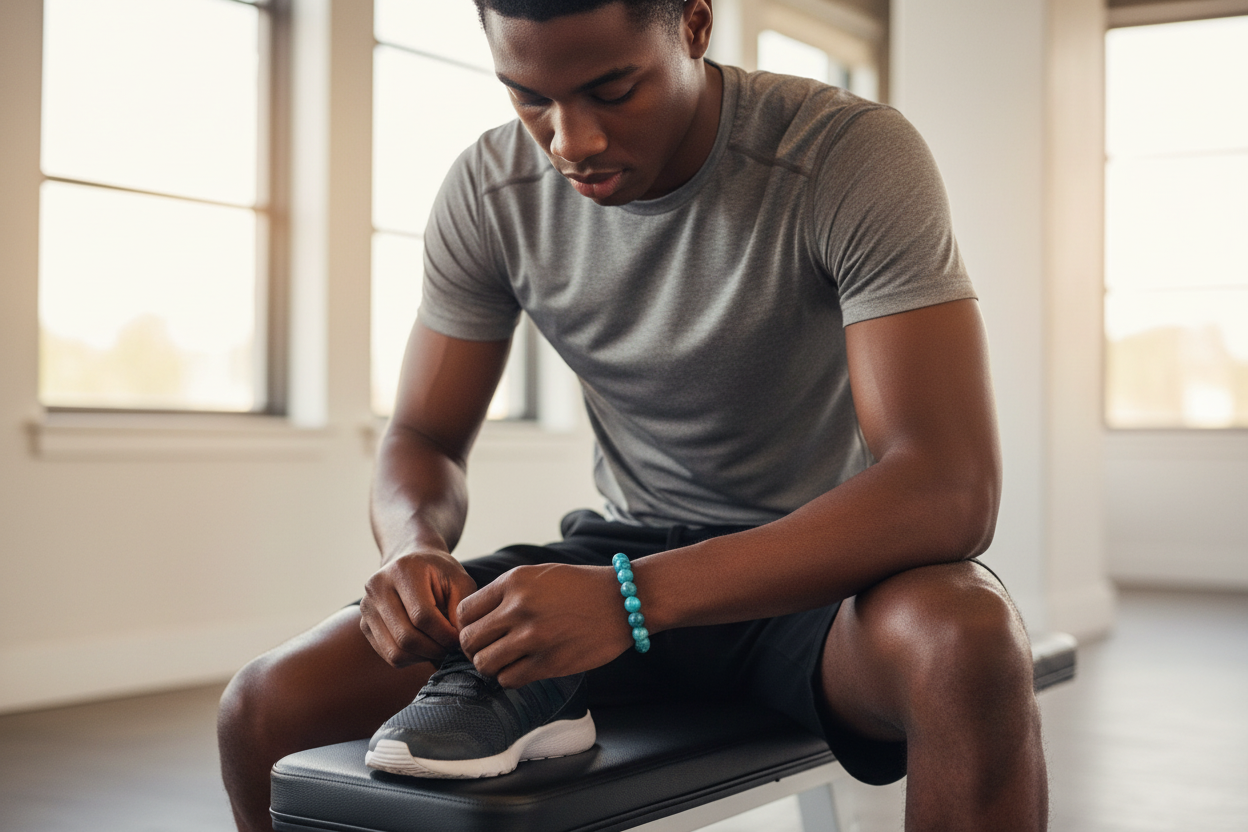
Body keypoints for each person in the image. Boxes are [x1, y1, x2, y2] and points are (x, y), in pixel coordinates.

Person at [217, 0, 1048, 829]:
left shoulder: (842, 153)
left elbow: (948, 486)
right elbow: (423, 437)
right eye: (529, 97)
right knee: (266, 705)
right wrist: (414, 547)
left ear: (693, 24)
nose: (570, 142)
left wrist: (632, 599)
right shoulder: (491, 189)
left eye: (612, 91)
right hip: (625, 548)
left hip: (819, 580)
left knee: (966, 641)